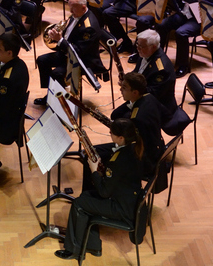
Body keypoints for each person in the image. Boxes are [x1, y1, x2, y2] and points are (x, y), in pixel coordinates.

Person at [55, 119, 144, 261]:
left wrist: (94, 171)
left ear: (121, 138)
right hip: (128, 199)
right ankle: (93, 245)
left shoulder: (119, 160)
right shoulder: (133, 149)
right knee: (86, 196)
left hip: (120, 208)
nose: (110, 134)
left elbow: (104, 192)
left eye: (112, 133)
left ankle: (75, 250)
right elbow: (116, 180)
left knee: (79, 204)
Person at [35, 0, 105, 105]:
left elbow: (78, 51)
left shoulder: (89, 27)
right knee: (42, 60)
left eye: (73, 9)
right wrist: (57, 34)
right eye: (70, 8)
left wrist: (60, 40)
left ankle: (61, 101)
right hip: (68, 53)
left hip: (82, 60)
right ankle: (51, 93)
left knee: (56, 73)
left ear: (83, 7)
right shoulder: (77, 14)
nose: (70, 12)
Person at [153, 0, 213, 77]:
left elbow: (206, 4)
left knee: (181, 33)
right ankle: (159, 57)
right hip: (184, 13)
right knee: (161, 24)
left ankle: (183, 65)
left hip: (197, 18)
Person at [108, 72, 169, 178]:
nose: (120, 90)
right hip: (156, 147)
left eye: (124, 88)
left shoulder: (137, 118)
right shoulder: (149, 97)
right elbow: (165, 115)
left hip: (144, 161)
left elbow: (132, 147)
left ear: (135, 92)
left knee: (99, 154)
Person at [130, 30, 176, 113]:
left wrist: (130, 87)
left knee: (122, 118)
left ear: (153, 47)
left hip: (158, 106)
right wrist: (127, 79)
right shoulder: (145, 53)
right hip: (141, 96)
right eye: (137, 44)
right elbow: (137, 72)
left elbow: (153, 94)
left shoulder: (162, 70)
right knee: (116, 114)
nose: (138, 48)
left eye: (141, 46)